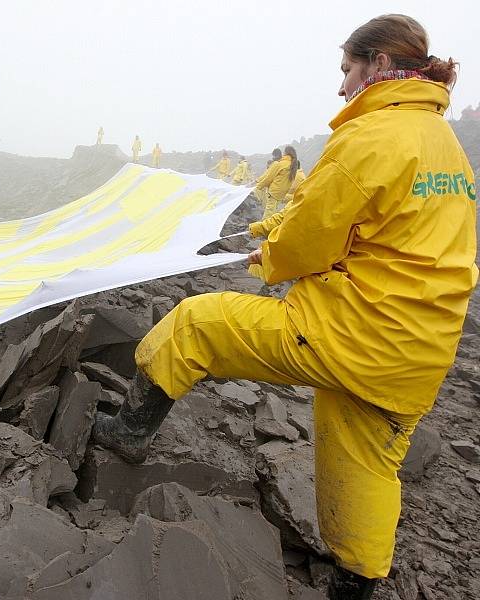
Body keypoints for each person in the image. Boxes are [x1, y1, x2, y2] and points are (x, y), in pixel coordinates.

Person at [92, 14, 475, 599]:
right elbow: (348, 214)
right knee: (365, 461)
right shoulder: (440, 142)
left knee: (196, 324)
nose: (341, 86)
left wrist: (268, 253)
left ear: (376, 63)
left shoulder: (371, 136)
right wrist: (267, 229)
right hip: (416, 351)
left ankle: (129, 433)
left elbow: (309, 237)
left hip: (354, 330)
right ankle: (357, 582)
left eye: (347, 69)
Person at [253, 146, 297, 218]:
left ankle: (264, 228)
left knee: (268, 213)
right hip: (282, 194)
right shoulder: (293, 165)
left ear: (285, 153)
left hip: (274, 192)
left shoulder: (279, 163)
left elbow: (268, 178)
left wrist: (258, 186)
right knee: (273, 211)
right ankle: (272, 226)